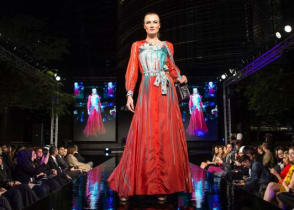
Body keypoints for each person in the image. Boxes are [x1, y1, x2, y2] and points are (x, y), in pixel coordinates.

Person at [107, 12, 193, 202]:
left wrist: (180, 76)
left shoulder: (167, 46)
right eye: (148, 22)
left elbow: (172, 68)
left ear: (159, 25)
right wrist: (129, 93)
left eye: (155, 22)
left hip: (165, 93)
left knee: (164, 136)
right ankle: (130, 183)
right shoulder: (136, 46)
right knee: (143, 135)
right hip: (146, 91)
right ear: (144, 26)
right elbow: (131, 70)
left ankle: (162, 186)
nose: (152, 25)